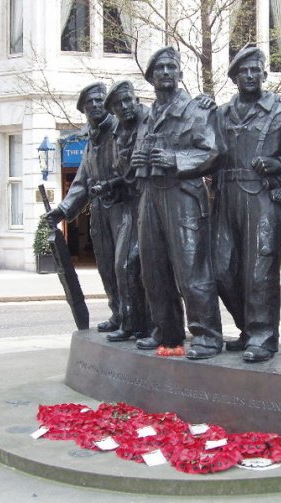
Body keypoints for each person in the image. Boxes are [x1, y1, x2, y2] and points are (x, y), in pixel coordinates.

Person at [130, 46, 223, 359]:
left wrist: (174, 159)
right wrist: (139, 160)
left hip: (182, 195)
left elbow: (212, 152)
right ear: (151, 78)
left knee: (191, 270)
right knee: (153, 270)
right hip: (150, 196)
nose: (166, 73)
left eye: (171, 68)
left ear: (180, 74)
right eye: (160, 69)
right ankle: (167, 332)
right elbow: (137, 156)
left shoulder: (197, 110)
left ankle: (207, 336)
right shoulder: (147, 115)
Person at [212, 47, 281, 363]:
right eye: (244, 71)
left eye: (256, 70)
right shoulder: (220, 114)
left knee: (260, 271)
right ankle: (248, 328)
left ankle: (263, 337)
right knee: (221, 269)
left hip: (262, 198)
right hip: (225, 197)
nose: (250, 75)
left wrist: (279, 164)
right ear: (234, 78)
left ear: (264, 74)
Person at [46, 82, 120, 333]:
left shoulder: (121, 130)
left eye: (101, 100)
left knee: (127, 266)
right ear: (84, 110)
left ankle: (140, 318)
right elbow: (81, 182)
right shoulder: (90, 143)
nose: (97, 105)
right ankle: (119, 313)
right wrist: (62, 210)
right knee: (107, 265)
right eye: (91, 102)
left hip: (125, 209)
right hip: (100, 213)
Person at [102, 80, 154, 342]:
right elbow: (125, 175)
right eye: (118, 104)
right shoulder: (117, 135)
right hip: (132, 206)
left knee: (151, 267)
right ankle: (131, 323)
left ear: (135, 99)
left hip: (155, 202)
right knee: (123, 265)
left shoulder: (152, 118)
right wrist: (111, 185)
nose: (124, 106)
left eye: (127, 100)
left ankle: (158, 326)